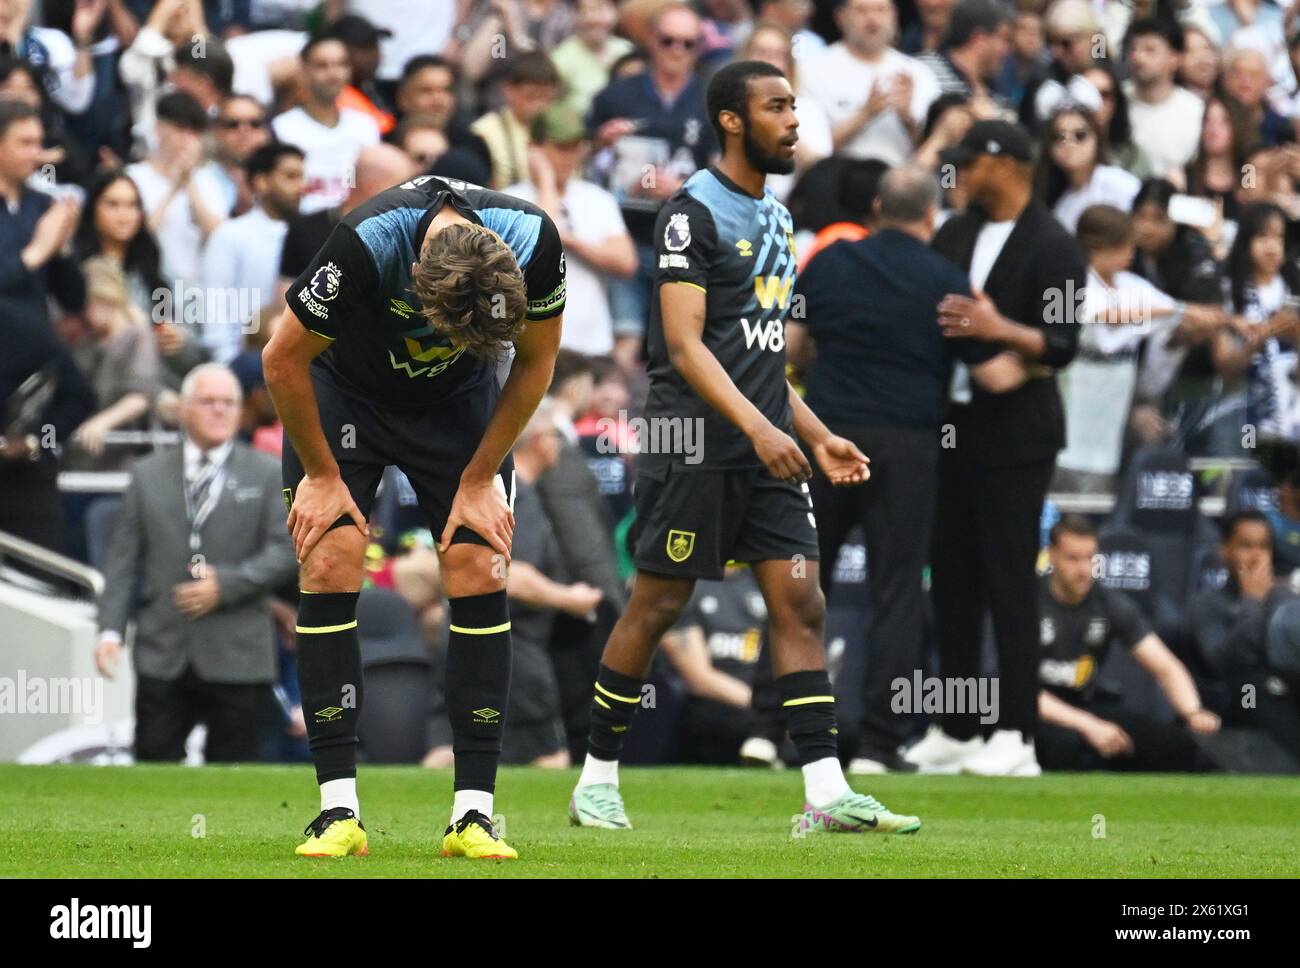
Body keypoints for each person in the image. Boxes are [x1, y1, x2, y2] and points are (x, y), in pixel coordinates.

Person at [567, 60, 921, 836]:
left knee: (801, 601)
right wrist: (761, 429)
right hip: (692, 442)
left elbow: (758, 353)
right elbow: (688, 348)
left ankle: (826, 795)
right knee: (659, 600)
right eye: (777, 107)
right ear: (732, 119)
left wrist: (815, 432)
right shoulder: (692, 212)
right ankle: (595, 779)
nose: (794, 120)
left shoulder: (775, 217)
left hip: (768, 450)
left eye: (794, 106)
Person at [261, 168, 566, 861]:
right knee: (330, 562)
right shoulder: (366, 243)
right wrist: (320, 475)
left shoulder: (536, 240)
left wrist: (483, 475)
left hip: (459, 411)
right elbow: (281, 360)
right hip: (347, 399)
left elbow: (537, 363)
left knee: (480, 562)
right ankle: (337, 810)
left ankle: (474, 815)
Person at [788, 165, 1029, 772]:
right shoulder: (946, 281)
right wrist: (1046, 352)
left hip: (827, 434)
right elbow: (994, 374)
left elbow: (789, 349)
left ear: (874, 207)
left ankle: (776, 731)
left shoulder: (827, 261)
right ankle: (879, 742)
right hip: (909, 446)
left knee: (798, 577)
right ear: (931, 215)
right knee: (895, 591)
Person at [907, 120, 1085, 776]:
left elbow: (1062, 342)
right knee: (951, 580)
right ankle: (956, 725)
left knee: (1009, 580)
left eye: (967, 163)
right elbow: (936, 311)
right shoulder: (956, 232)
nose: (957, 175)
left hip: (1016, 439)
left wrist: (998, 330)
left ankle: (1018, 733)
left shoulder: (1055, 244)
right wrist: (1001, 351)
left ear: (1004, 163)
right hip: (951, 427)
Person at [94, 363, 297, 763]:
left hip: (239, 653)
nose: (219, 411)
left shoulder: (269, 472)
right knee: (154, 771)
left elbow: (287, 551)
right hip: (163, 649)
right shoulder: (146, 475)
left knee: (233, 783)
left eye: (229, 403)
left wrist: (227, 585)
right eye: (208, 402)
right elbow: (122, 562)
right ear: (184, 409)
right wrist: (109, 632)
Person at [1035, 515, 1220, 771]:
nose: (1083, 569)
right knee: (1065, 743)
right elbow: (1016, 689)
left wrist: (1193, 712)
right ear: (1052, 556)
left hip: (1083, 703)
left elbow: (1166, 667)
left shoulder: (1109, 603)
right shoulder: (1028, 602)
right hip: (1033, 710)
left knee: (1174, 746)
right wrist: (1088, 725)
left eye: (1090, 558)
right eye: (1072, 559)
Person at [586, 1, 716, 344]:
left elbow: (726, 177)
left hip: (686, 241)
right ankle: (618, 397)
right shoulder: (614, 97)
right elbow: (579, 165)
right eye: (668, 40)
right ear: (651, 40)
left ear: (699, 48)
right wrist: (599, 144)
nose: (677, 50)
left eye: (687, 43)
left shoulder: (712, 101)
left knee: (679, 342)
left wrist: (681, 187)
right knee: (624, 336)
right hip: (623, 236)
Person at [505, 104, 636, 359]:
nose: (572, 155)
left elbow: (626, 262)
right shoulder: (508, 200)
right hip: (532, 348)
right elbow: (540, 245)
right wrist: (544, 179)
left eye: (577, 146)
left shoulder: (597, 198)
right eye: (562, 147)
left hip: (593, 343)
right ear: (535, 148)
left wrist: (570, 240)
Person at [1188, 510, 1300, 758]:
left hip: (1285, 689)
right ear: (1224, 550)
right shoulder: (1209, 604)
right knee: (1252, 691)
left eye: (1263, 547)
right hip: (1238, 697)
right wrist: (1252, 603)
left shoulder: (1284, 598)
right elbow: (1221, 662)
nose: (1256, 556)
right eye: (1245, 546)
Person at [797, 0, 940, 166]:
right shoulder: (811, 71)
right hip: (838, 183)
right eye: (862, 11)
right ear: (841, 17)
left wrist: (908, 119)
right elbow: (808, 151)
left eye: (881, 10)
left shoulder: (919, 73)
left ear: (895, 16)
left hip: (901, 183)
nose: (873, 20)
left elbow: (939, 151)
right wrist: (865, 114)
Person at [200, 143, 304, 364]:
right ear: (261, 182)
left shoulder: (316, 233)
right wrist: (229, 363)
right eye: (290, 177)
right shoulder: (230, 235)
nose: (301, 186)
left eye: (302, 177)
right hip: (244, 358)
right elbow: (215, 301)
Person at [66, 258, 161, 471]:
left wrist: (103, 422)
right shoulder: (85, 344)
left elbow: (141, 397)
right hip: (85, 452)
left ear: (105, 298)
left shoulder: (138, 336)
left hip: (125, 452)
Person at [270, 35, 381, 215]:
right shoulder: (282, 128)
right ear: (304, 71)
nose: (333, 73)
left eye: (341, 64)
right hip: (303, 223)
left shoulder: (365, 125)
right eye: (322, 65)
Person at [1035, 105, 1140, 233]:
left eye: (1080, 135)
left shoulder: (1117, 183)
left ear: (1097, 138)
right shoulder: (1060, 204)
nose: (1068, 143)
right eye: (1058, 137)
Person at [1123, 18, 1205, 178]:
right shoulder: (1116, 101)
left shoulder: (1195, 111)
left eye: (1150, 50)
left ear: (1175, 59)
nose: (1138, 57)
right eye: (1133, 49)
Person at [469, 51, 559, 190]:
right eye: (531, 96)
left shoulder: (561, 130)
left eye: (547, 97)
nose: (539, 105)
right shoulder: (484, 132)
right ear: (508, 90)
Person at [916, 0, 1014, 105]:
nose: (1008, 50)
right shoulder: (924, 71)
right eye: (1005, 39)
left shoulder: (999, 98)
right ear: (979, 39)